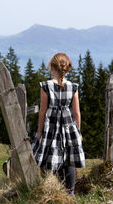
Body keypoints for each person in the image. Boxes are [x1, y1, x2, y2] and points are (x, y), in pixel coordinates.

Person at [32, 52, 85, 195]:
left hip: (51, 126)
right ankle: (70, 192)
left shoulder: (46, 86)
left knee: (49, 155)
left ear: (51, 67)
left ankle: (51, 189)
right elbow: (76, 113)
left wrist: (40, 131)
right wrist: (78, 132)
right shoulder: (73, 87)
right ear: (66, 68)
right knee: (69, 160)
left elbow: (42, 111)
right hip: (69, 127)